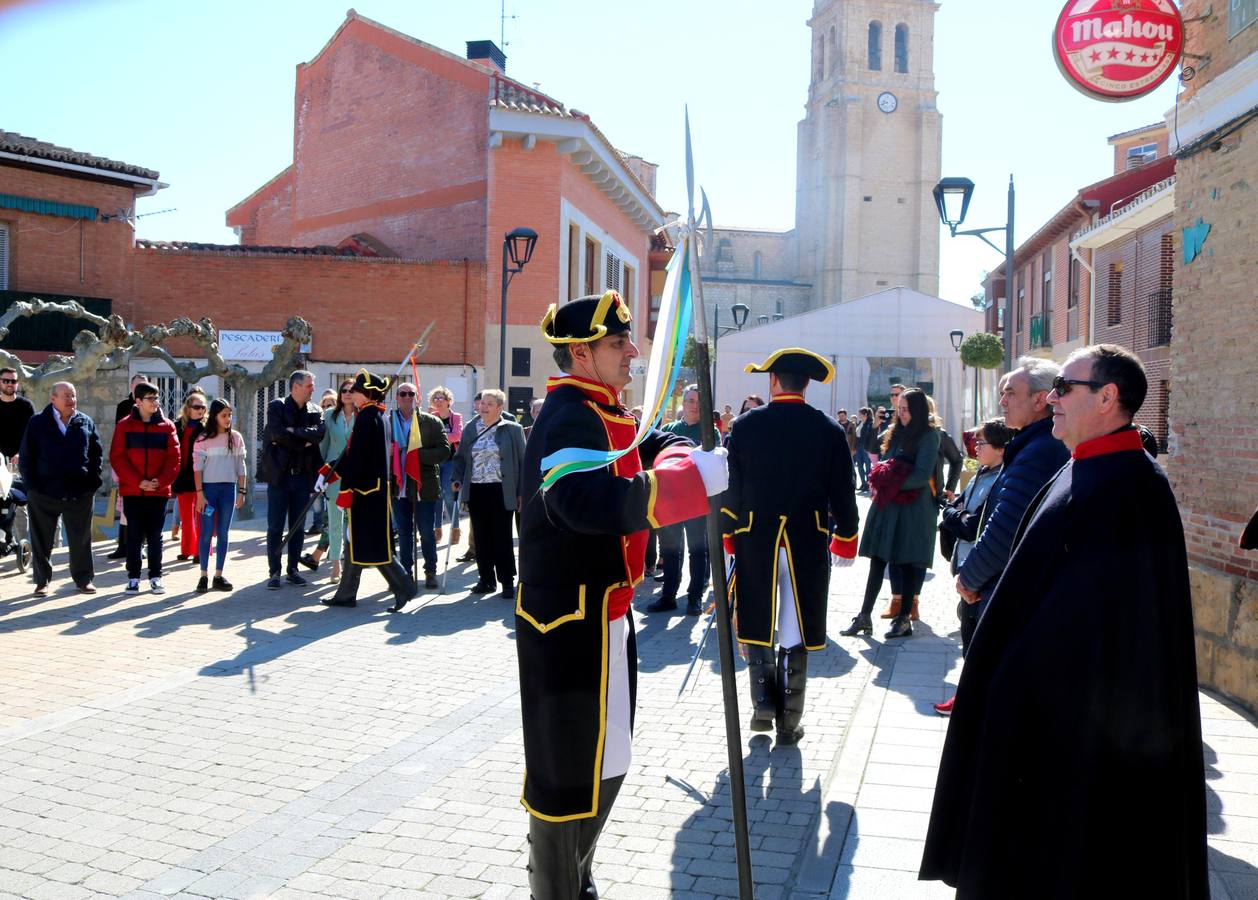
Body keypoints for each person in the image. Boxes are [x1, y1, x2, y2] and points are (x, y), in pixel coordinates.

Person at [921, 345, 1207, 898]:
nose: (1052, 398)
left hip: (1078, 734)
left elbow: (1092, 626)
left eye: (1064, 388)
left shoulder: (1127, 485)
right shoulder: (1085, 465)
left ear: (1107, 398)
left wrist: (1012, 688)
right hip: (1049, 721)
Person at [518, 291, 725, 898]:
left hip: (602, 610)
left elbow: (639, 448)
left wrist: (683, 450)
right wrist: (685, 482)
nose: (633, 351)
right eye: (618, 343)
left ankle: (575, 878)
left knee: (607, 759)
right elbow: (582, 503)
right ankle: (557, 890)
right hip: (569, 620)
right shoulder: (567, 417)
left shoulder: (599, 408)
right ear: (580, 352)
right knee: (569, 769)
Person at [721, 349, 859, 745]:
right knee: (793, 626)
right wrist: (846, 535)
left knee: (756, 617)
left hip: (755, 535)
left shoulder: (746, 426)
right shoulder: (828, 429)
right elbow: (842, 491)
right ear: (807, 384)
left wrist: (728, 529)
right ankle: (790, 721)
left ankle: (763, 703)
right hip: (806, 536)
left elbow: (733, 486)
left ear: (774, 381)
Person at [954, 358, 1068, 617]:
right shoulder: (1033, 444)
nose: (1002, 401)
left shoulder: (1039, 450)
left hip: (1006, 595)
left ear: (1040, 401)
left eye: (1011, 393)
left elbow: (1008, 527)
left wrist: (969, 577)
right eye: (1002, 394)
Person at [840, 388, 942, 639]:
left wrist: (888, 482)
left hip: (913, 507)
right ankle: (864, 616)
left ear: (918, 410)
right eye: (899, 409)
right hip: (889, 503)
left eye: (906, 409)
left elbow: (921, 475)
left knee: (907, 561)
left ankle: (904, 618)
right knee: (878, 558)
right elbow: (876, 450)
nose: (901, 414)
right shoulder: (896, 431)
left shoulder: (930, 435)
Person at [932, 417, 1014, 716]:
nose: (975, 448)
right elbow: (957, 510)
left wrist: (954, 514)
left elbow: (970, 525)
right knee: (968, 636)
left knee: (978, 641)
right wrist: (956, 513)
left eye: (981, 443)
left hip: (983, 574)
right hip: (966, 566)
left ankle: (972, 701)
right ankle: (968, 696)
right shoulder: (981, 473)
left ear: (1002, 448)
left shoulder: (1003, 479)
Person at [319, 369, 418, 611]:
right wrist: (328, 472)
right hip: (371, 491)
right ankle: (346, 593)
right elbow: (352, 454)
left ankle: (404, 586)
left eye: (357, 391)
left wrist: (346, 487)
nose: (352, 394)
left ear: (366, 394)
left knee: (376, 547)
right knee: (356, 543)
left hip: (366, 491)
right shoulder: (374, 415)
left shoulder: (367, 418)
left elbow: (358, 459)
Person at [19, 382, 102, 596]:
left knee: (81, 538)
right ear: (53, 398)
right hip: (44, 493)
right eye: (66, 396)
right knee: (41, 539)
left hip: (79, 493)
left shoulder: (85, 422)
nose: (71, 400)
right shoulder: (37, 423)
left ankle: (84, 580)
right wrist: (32, 488)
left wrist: (92, 484)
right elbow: (26, 458)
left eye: (73, 395)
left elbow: (96, 454)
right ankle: (42, 581)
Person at [451, 388, 525, 598]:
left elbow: (523, 461)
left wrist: (521, 493)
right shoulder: (470, 428)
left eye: (489, 404)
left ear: (500, 408)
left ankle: (507, 581)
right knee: (481, 538)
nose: (483, 407)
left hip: (502, 489)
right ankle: (486, 580)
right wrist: (456, 479)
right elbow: (460, 458)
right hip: (476, 489)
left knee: (501, 537)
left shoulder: (513, 429)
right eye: (482, 403)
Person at [110, 381, 181, 594]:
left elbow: (174, 459)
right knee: (133, 534)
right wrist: (138, 481)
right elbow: (118, 457)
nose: (155, 402)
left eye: (157, 398)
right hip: (133, 491)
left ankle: (155, 577)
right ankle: (133, 578)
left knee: (155, 535)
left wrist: (160, 481)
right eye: (150, 398)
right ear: (138, 401)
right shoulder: (124, 425)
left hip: (158, 492)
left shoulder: (167, 426)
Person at [261, 370, 325, 590]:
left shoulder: (315, 410)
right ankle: (274, 572)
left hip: (301, 478)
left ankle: (293, 570)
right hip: (279, 478)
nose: (313, 389)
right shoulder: (276, 406)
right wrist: (302, 440)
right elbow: (277, 434)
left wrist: (294, 433)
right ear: (295, 386)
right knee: (275, 526)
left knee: (297, 527)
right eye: (309, 385)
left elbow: (319, 434)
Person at [649, 384, 709, 615]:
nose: (694, 406)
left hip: (696, 500)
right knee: (671, 550)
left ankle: (694, 598)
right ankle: (668, 596)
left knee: (697, 549)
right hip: (670, 500)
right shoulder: (669, 429)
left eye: (698, 401)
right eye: (691, 401)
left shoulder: (709, 432)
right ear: (683, 403)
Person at [386, 381, 451, 590]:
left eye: (410, 394)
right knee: (404, 533)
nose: (406, 397)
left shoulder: (432, 422)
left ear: (417, 397)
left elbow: (444, 451)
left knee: (426, 531)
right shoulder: (388, 421)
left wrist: (417, 455)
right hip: (398, 485)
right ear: (396, 397)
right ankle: (404, 573)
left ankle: (430, 572)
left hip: (425, 486)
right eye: (402, 394)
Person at [192, 399, 247, 593]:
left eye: (230, 415)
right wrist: (200, 494)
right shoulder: (202, 439)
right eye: (224, 415)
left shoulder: (236, 438)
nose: (228, 419)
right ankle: (203, 575)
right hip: (208, 491)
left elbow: (241, 467)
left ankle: (218, 574)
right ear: (214, 416)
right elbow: (197, 468)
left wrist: (242, 491)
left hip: (228, 490)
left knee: (223, 533)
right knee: (206, 533)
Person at [305, 380, 356, 582]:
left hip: (355, 476)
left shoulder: (362, 417)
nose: (346, 394)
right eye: (343, 390)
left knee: (354, 523)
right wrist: (322, 475)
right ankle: (335, 565)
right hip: (334, 474)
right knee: (334, 521)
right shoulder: (329, 415)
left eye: (351, 390)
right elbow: (323, 449)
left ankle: (352, 564)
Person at [106, 373, 148, 561]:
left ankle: (142, 545)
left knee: (145, 508)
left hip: (146, 461)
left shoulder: (152, 406)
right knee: (125, 507)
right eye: (137, 385)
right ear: (131, 387)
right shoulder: (123, 406)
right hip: (127, 461)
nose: (139, 388)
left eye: (143, 385)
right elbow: (118, 433)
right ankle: (122, 545)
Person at [171, 389, 208, 562]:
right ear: (188, 408)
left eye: (203, 407)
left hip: (202, 478)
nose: (201, 410)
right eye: (197, 407)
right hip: (182, 478)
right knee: (186, 517)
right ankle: (186, 549)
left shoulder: (207, 429)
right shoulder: (177, 426)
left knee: (201, 517)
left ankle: (200, 552)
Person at [429, 386, 463, 546]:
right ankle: (437, 530)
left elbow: (457, 435)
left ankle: (455, 529)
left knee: (449, 495)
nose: (437, 401)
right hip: (435, 461)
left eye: (440, 397)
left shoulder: (455, 417)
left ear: (448, 401)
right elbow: (427, 438)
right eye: (435, 398)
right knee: (436, 496)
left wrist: (439, 438)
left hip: (450, 461)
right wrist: (443, 438)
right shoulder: (431, 417)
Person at [0, 367, 35, 462]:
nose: (10, 384)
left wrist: (21, 454)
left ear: (17, 383)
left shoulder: (26, 406)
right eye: (6, 381)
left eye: (13, 381)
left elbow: (32, 434)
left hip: (21, 459)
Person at [855, 407, 876, 491]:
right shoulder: (860, 422)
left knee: (868, 466)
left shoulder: (870, 423)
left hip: (866, 447)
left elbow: (870, 436)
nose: (859, 415)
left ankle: (868, 483)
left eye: (860, 414)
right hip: (859, 447)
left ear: (865, 414)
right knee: (859, 465)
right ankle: (863, 483)